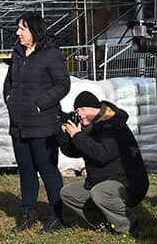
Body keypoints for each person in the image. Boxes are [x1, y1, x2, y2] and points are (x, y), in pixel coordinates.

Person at [3, 13, 72, 233]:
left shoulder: (51, 55)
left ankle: (56, 215)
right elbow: (9, 81)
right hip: (19, 125)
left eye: (22, 29)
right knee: (26, 171)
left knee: (47, 169)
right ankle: (28, 213)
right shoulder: (18, 54)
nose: (18, 33)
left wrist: (40, 104)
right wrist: (9, 99)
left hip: (43, 125)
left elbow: (63, 85)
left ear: (34, 31)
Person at [59, 92, 148, 234]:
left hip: (128, 183)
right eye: (77, 111)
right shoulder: (90, 128)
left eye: (81, 109)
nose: (79, 114)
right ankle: (103, 223)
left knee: (100, 192)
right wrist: (64, 135)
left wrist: (78, 135)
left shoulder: (113, 126)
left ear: (94, 108)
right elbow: (74, 151)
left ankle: (128, 225)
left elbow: (102, 154)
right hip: (101, 181)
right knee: (68, 193)